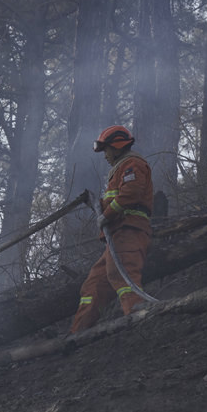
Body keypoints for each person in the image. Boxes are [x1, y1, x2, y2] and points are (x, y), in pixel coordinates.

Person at [70, 126, 153, 333]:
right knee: (94, 284)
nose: (105, 156)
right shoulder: (119, 170)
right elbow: (116, 198)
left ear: (117, 147)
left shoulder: (132, 164)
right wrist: (98, 205)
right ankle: (76, 334)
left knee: (122, 273)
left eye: (106, 150)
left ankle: (138, 316)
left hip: (129, 230)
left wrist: (105, 216)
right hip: (116, 236)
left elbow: (130, 194)